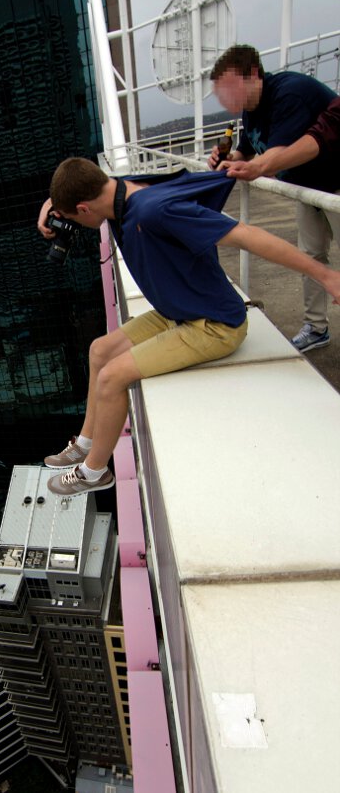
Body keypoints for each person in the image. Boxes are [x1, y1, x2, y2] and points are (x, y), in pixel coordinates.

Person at [37, 157, 340, 497]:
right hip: (177, 310)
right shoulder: (118, 189)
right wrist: (50, 207)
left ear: (83, 207)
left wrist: (327, 276)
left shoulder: (155, 210)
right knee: (99, 351)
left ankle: (94, 472)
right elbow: (77, 184)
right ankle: (85, 442)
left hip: (214, 324)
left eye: (74, 216)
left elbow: (247, 236)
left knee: (112, 376)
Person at [208, 45, 339, 352]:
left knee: (314, 255)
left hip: (335, 185)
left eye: (230, 86)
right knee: (311, 256)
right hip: (308, 190)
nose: (226, 97)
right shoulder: (249, 111)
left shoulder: (289, 93)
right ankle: (316, 327)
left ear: (253, 73)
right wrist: (227, 157)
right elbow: (250, 148)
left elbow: (278, 154)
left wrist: (255, 167)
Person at [223, 96, 340, 180]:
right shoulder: (249, 115)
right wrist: (227, 160)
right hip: (308, 185)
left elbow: (320, 137)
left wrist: (260, 167)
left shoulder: (287, 97)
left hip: (330, 182)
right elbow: (245, 151)